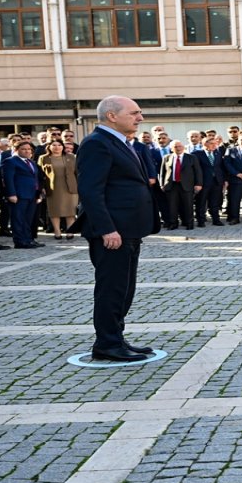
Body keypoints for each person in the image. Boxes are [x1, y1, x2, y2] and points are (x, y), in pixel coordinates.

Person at [77, 95, 158, 362]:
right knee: (111, 289)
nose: (140, 118)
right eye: (134, 113)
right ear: (112, 116)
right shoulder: (97, 144)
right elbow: (90, 191)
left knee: (124, 288)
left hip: (129, 229)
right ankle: (107, 344)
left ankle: (116, 338)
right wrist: (106, 229)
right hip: (113, 232)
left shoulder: (119, 142)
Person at [4, 141, 45, 249]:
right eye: (23, 149)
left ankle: (28, 239)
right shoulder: (11, 161)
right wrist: (11, 194)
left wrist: (38, 194)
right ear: (16, 150)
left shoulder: (31, 162)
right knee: (18, 218)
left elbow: (35, 179)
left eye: (29, 149)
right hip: (19, 194)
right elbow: (8, 179)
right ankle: (20, 241)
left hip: (31, 194)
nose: (27, 151)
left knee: (28, 219)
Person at [38, 139, 79, 240]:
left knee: (71, 210)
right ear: (49, 147)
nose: (57, 147)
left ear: (63, 147)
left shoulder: (71, 157)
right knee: (54, 210)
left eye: (59, 145)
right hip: (52, 187)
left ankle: (70, 231)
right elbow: (39, 174)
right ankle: (57, 231)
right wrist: (41, 187)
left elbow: (77, 172)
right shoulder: (44, 158)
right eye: (54, 145)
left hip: (70, 187)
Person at [160, 140, 203, 230]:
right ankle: (173, 223)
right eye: (175, 147)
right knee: (172, 206)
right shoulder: (166, 157)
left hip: (187, 185)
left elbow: (198, 171)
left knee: (188, 205)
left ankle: (189, 223)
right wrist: (162, 184)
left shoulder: (191, 157)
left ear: (183, 147)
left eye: (180, 146)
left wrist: (198, 184)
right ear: (171, 149)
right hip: (171, 185)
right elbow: (162, 172)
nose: (178, 148)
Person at [192, 136, 226, 226]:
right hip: (203, 182)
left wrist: (224, 180)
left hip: (216, 181)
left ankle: (216, 219)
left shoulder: (217, 153)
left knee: (215, 202)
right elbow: (194, 170)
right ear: (205, 144)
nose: (215, 145)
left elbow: (221, 167)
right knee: (201, 202)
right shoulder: (196, 154)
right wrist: (197, 183)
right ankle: (201, 220)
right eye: (212, 143)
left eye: (216, 143)